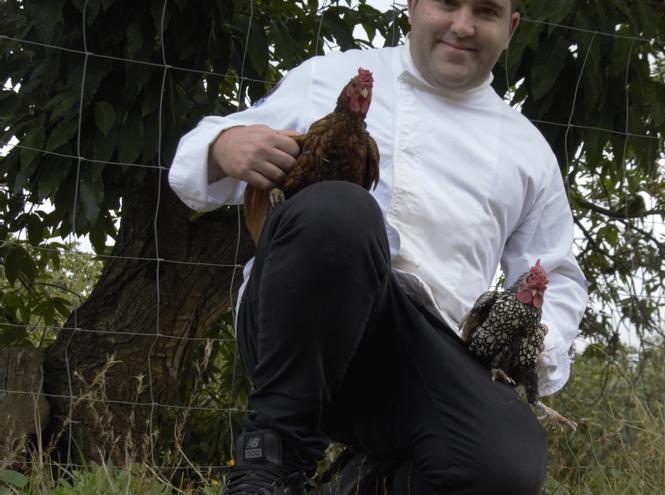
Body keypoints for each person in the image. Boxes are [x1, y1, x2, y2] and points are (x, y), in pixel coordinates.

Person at [169, 0, 588, 493]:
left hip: (422, 354)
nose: (463, 25)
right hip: (296, 325)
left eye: (486, 11)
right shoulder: (328, 76)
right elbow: (191, 166)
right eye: (447, 4)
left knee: (508, 462)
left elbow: (557, 276)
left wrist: (534, 346)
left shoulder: (528, 151)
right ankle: (269, 466)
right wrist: (225, 145)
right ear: (412, 7)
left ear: (511, 28)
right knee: (344, 212)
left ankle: (356, 485)